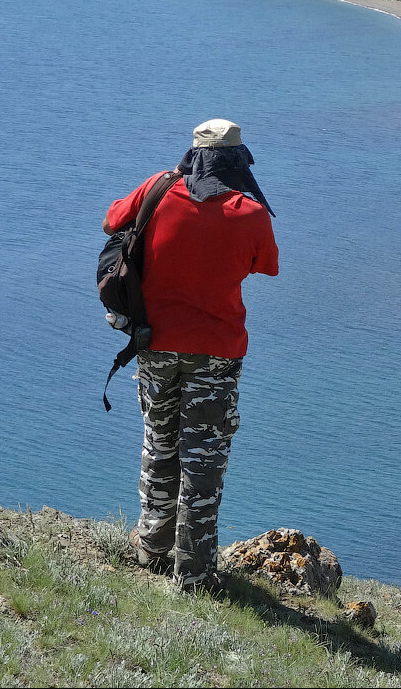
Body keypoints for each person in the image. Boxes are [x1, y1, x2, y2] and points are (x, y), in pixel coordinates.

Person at [103, 118, 279, 593]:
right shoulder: (251, 213)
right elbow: (266, 265)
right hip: (216, 354)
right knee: (203, 460)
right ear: (238, 160)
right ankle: (195, 575)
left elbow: (111, 220)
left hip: (154, 345)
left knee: (159, 443)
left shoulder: (157, 189)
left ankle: (152, 548)